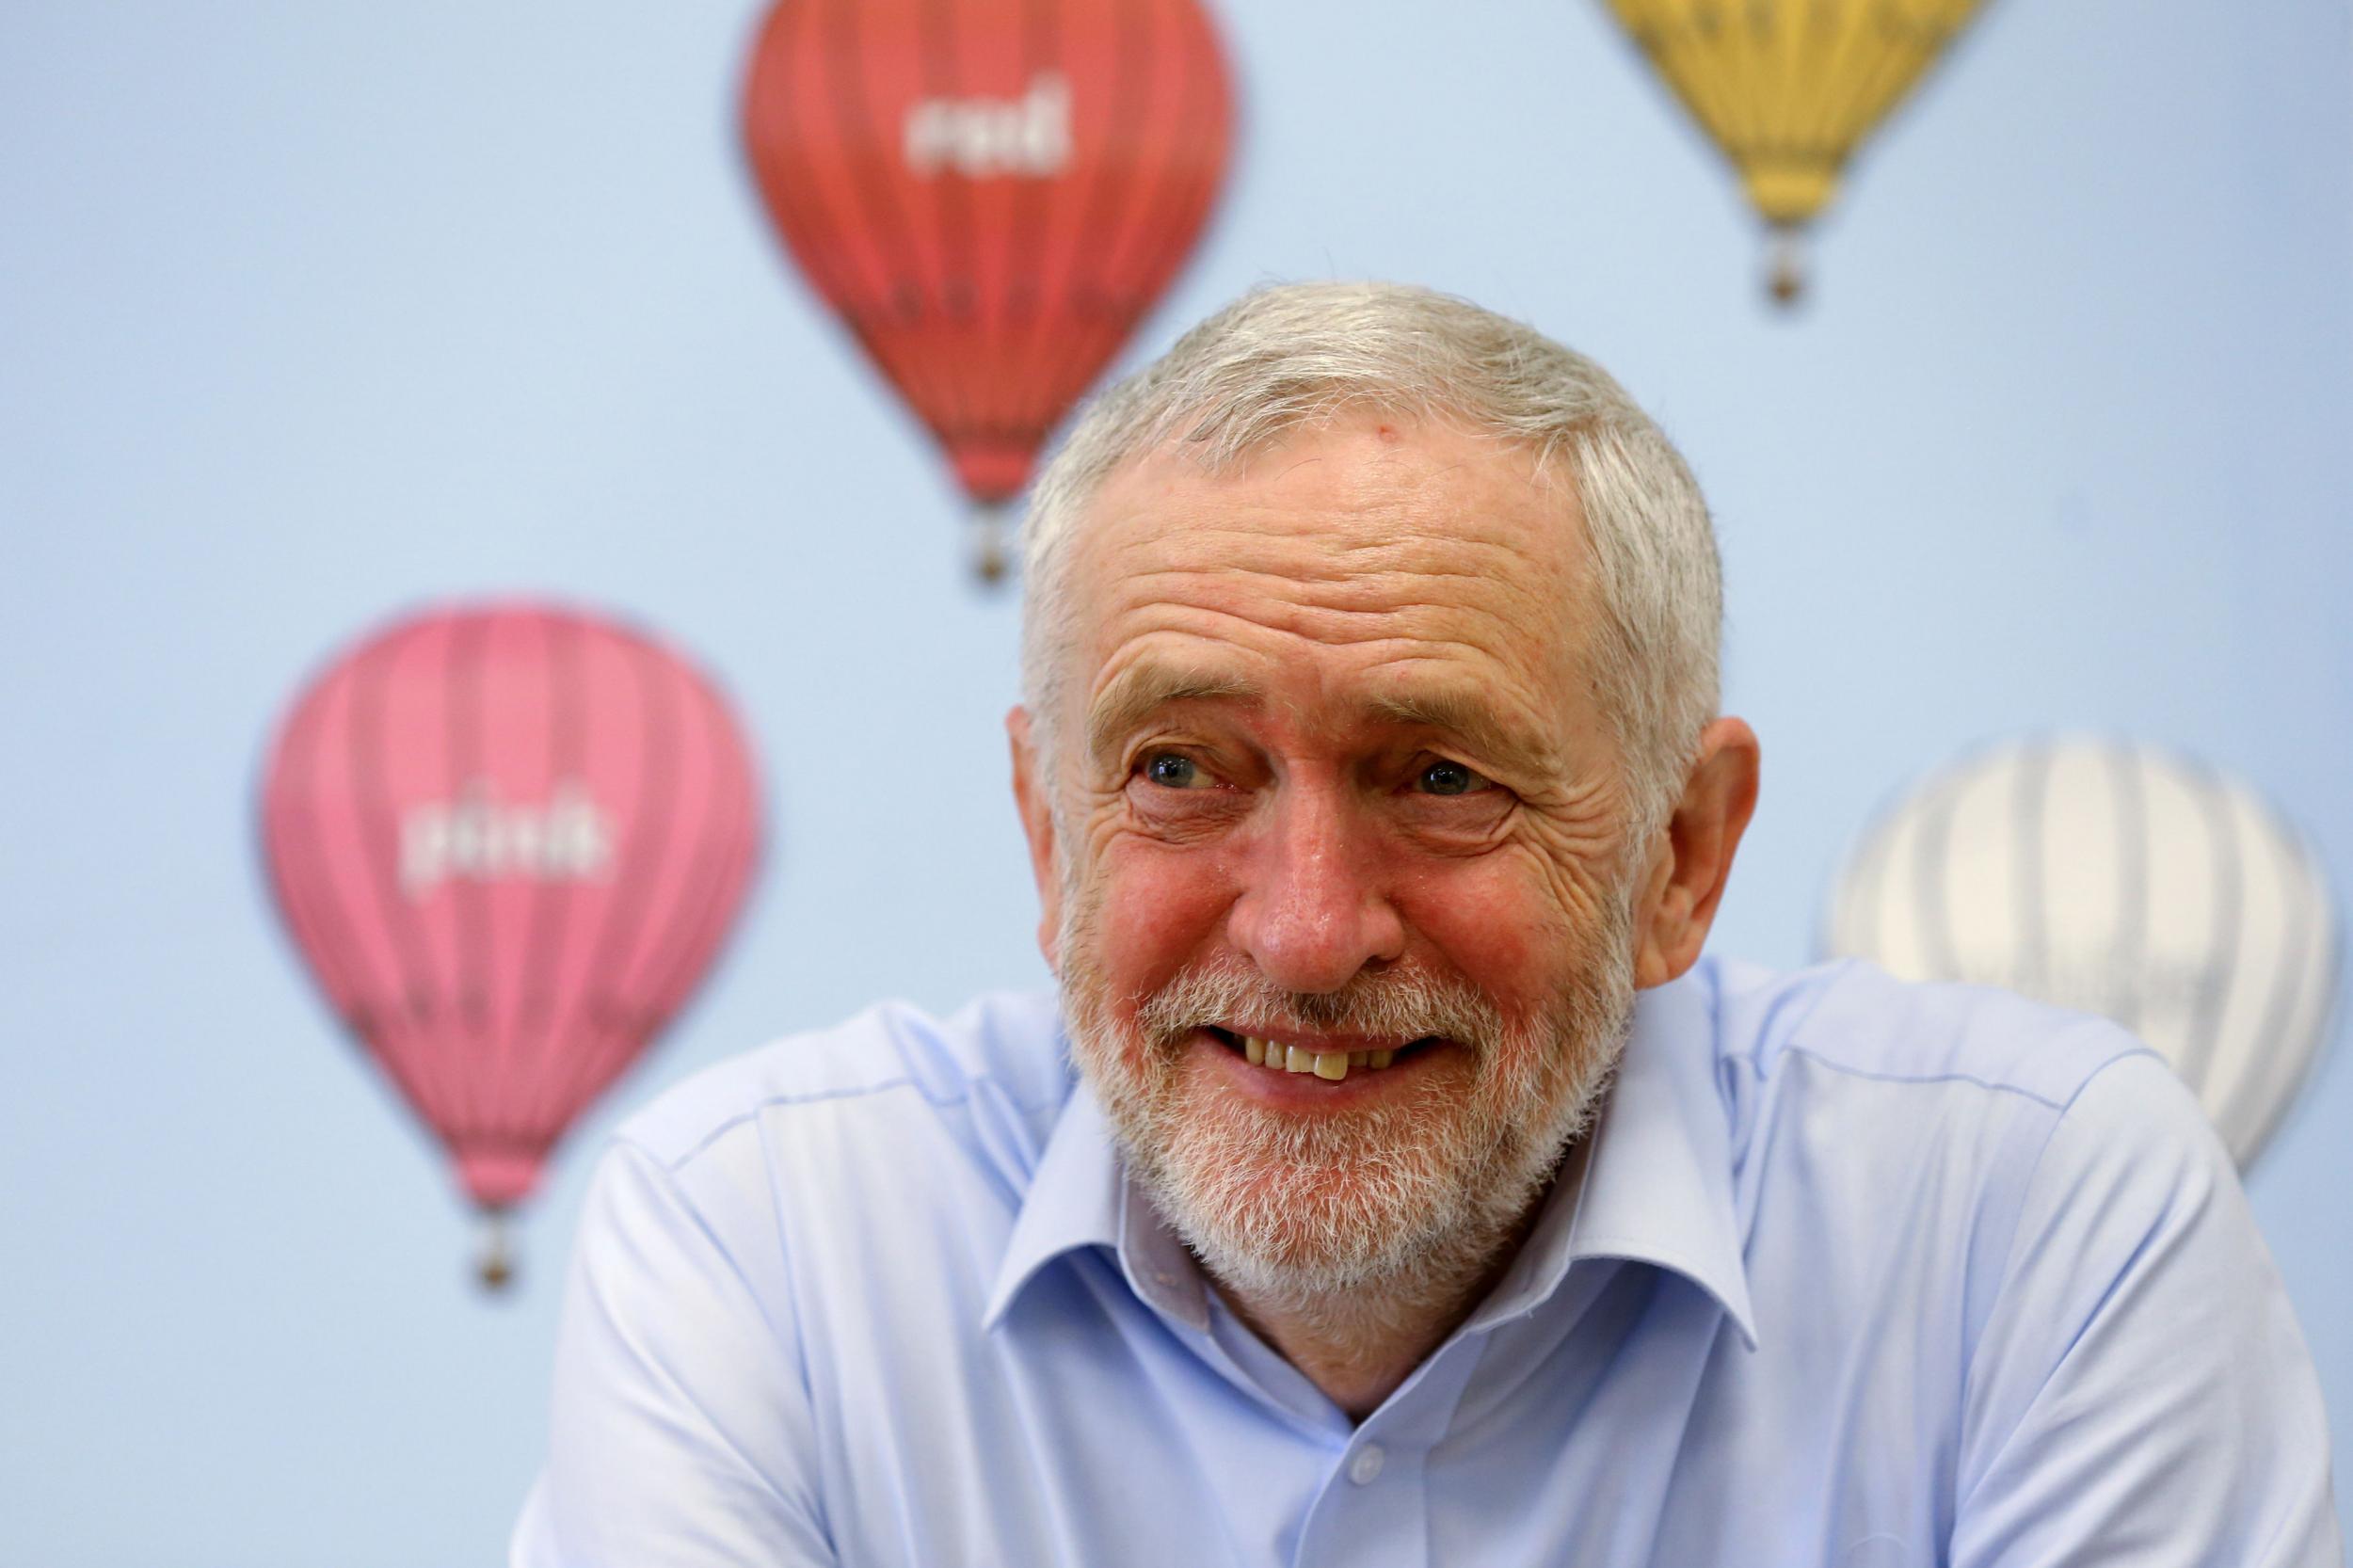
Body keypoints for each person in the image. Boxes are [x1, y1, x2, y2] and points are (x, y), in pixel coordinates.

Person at [511, 282, 2341, 1566]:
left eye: (1442, 776)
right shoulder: (764, 1247)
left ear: (1681, 855)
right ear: (1044, 831)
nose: (1308, 931)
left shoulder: (2030, 1223)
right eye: (1176, 766)